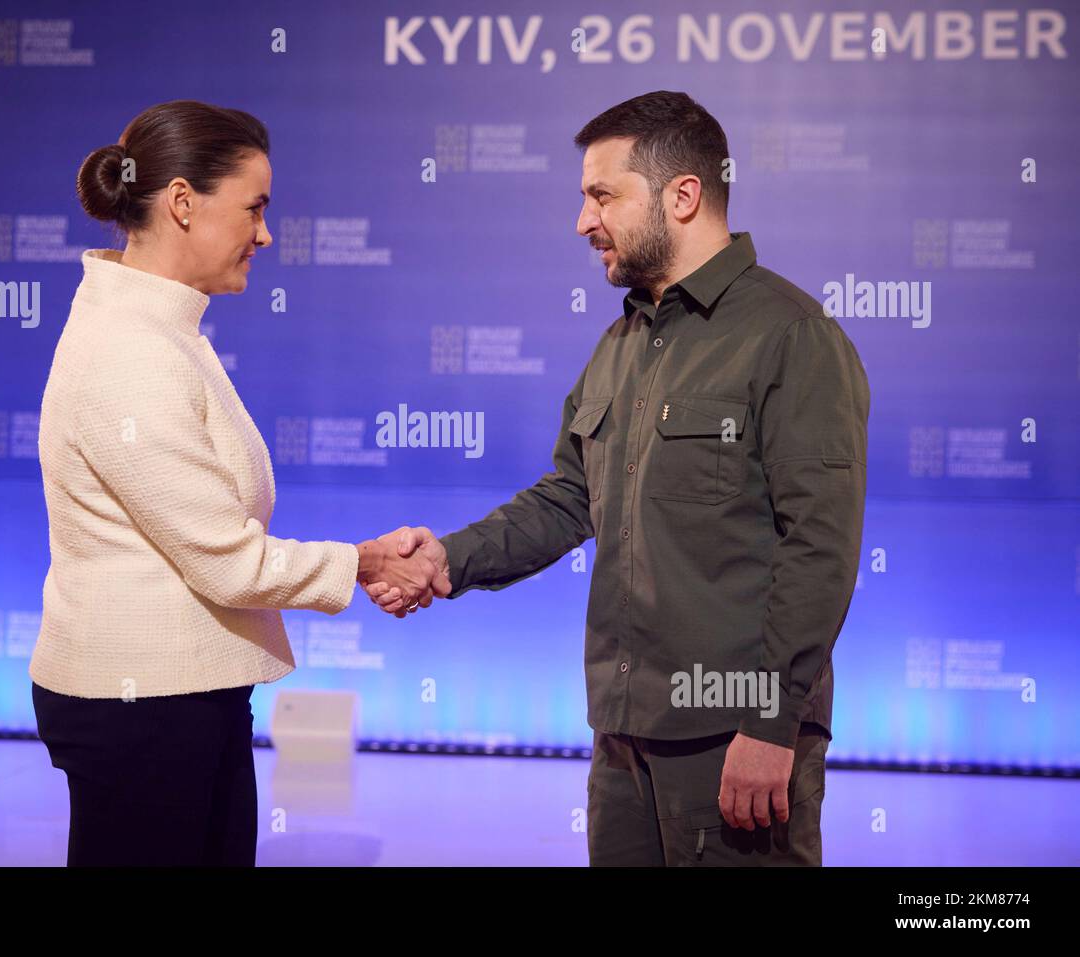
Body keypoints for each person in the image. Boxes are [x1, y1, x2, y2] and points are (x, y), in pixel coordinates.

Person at [366, 91, 869, 866]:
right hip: (623, 738)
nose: (582, 221)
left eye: (602, 195)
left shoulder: (793, 336)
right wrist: (446, 559)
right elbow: (571, 494)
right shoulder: (622, 340)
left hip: (735, 737)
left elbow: (822, 549)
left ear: (684, 195)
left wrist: (771, 723)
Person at [28, 99, 448, 867]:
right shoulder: (131, 349)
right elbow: (224, 557)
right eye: (254, 208)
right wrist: (364, 562)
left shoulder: (160, 330)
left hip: (177, 700)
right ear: (183, 202)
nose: (266, 233)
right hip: (142, 708)